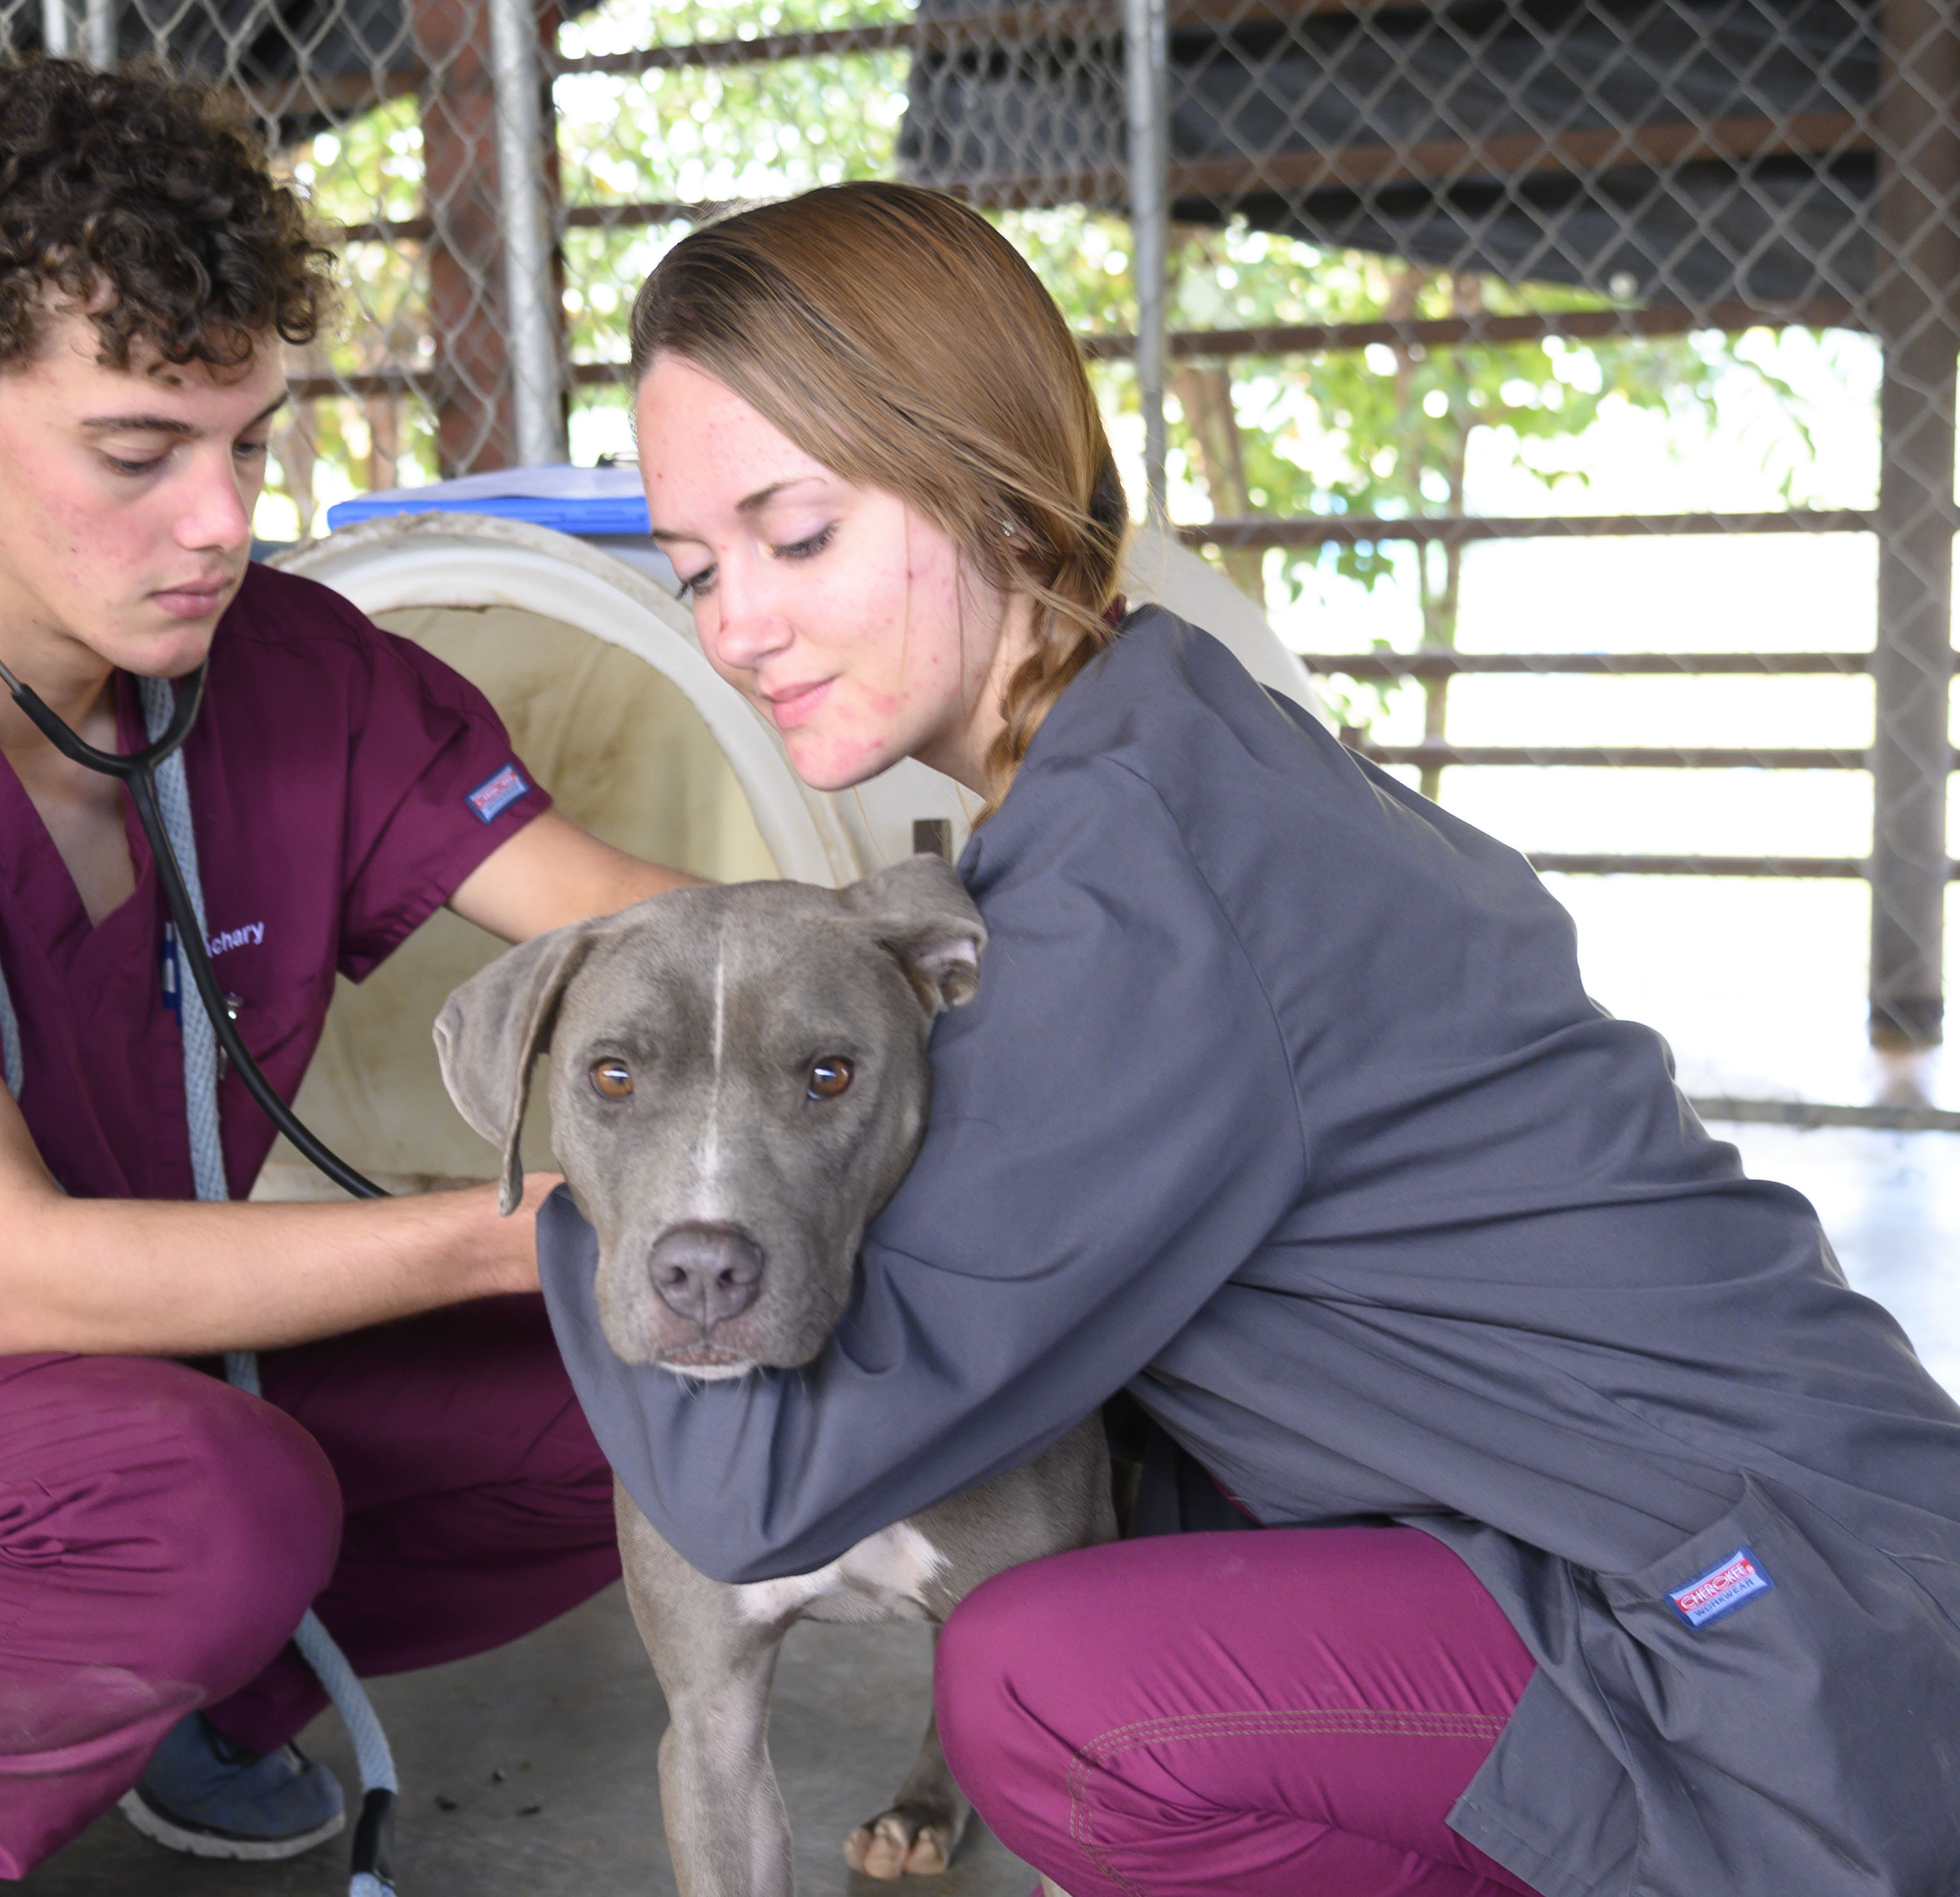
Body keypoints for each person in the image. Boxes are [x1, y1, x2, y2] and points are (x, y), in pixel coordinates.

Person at [546, 178, 1960, 1897]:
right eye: (696, 569)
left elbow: (753, 1488)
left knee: (1058, 1695)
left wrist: (593, 1170)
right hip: (1756, 1540)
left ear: (986, 481)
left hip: (1764, 1628)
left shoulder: (1136, 884)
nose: (734, 627)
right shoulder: (1144, 759)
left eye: (800, 534)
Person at [0, 58, 686, 1895]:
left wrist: (926, 982)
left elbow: (646, 932)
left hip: (162, 1362)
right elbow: (7, 1278)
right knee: (212, 1495)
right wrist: (523, 1224)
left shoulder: (302, 666)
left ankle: (189, 1705)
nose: (225, 519)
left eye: (249, 439)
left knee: (654, 1389)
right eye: (141, 454)